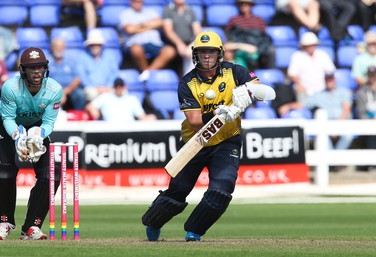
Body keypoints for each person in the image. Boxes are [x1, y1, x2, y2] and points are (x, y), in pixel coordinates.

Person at [141, 31, 257, 242]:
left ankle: (194, 231)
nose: (206, 56)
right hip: (196, 141)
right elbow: (194, 121)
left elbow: (258, 88)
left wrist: (247, 96)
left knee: (222, 189)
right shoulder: (187, 83)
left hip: (226, 140)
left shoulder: (235, 71)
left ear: (219, 54)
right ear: (195, 54)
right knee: (178, 192)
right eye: (202, 52)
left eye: (211, 52)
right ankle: (154, 220)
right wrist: (219, 113)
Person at [0, 47, 63, 240]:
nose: (37, 71)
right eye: (32, 68)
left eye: (40, 67)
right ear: (23, 70)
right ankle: (4, 222)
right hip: (6, 124)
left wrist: (38, 134)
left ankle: (31, 226)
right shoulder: (11, 87)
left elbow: (48, 122)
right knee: (5, 168)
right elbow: (8, 118)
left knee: (51, 173)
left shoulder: (54, 89)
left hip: (37, 125)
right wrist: (18, 136)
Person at [119, 0, 177, 81]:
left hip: (155, 44)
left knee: (170, 51)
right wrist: (148, 25)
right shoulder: (125, 14)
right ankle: (148, 74)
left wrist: (139, 26)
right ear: (131, 2)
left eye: (140, 1)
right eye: (135, 1)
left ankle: (147, 74)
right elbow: (129, 30)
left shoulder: (151, 12)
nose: (138, 3)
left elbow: (160, 23)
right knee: (136, 49)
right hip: (135, 44)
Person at [304, 72, 354, 161]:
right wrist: (287, 106)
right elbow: (303, 104)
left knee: (348, 136)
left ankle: (335, 160)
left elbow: (346, 110)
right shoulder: (319, 95)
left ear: (334, 80)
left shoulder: (344, 92)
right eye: (327, 79)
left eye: (331, 79)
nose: (329, 81)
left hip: (342, 122)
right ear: (324, 80)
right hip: (326, 124)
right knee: (322, 137)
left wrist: (337, 128)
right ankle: (331, 162)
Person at [287, 31, 335, 103]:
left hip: (322, 89)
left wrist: (328, 84)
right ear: (303, 46)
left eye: (313, 45)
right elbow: (292, 74)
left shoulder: (322, 55)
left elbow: (331, 71)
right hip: (304, 90)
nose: (311, 47)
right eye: (308, 45)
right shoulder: (297, 56)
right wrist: (299, 85)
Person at [225, 0, 274, 69]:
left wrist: (257, 48)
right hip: (240, 48)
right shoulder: (233, 20)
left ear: (251, 6)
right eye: (241, 4)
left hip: (257, 47)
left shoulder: (259, 20)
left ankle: (268, 73)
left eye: (247, 4)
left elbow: (264, 38)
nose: (244, 6)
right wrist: (242, 46)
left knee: (270, 50)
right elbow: (230, 39)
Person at [85, 77, 157, 122]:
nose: (119, 89)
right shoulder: (105, 97)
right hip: (110, 130)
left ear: (124, 86)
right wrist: (94, 110)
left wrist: (149, 118)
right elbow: (90, 106)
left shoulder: (132, 99)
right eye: (117, 87)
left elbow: (141, 116)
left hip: (129, 129)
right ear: (113, 87)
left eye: (121, 86)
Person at [77, 29, 120, 101]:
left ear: (101, 45)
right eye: (92, 45)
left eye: (97, 44)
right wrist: (96, 88)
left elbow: (114, 73)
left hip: (108, 87)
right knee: (91, 94)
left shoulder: (110, 56)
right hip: (91, 88)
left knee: (122, 93)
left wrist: (107, 86)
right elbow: (82, 76)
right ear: (89, 46)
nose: (95, 47)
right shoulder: (82, 57)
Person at [162, 0, 202, 75]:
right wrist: (179, 44)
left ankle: (191, 80)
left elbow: (198, 31)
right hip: (173, 44)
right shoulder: (168, 10)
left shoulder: (190, 10)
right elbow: (168, 31)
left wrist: (193, 44)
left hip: (188, 43)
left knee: (194, 51)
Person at [49, 38, 86, 110]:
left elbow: (78, 79)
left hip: (70, 89)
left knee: (80, 94)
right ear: (52, 48)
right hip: (53, 90)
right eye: (56, 46)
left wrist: (65, 91)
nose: (58, 49)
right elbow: (44, 80)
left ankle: (78, 116)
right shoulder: (47, 62)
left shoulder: (71, 61)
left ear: (64, 48)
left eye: (61, 47)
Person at [355, 65, 376, 171]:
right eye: (370, 75)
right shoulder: (362, 92)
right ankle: (373, 163)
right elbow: (361, 113)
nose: (372, 77)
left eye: (374, 75)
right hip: (368, 123)